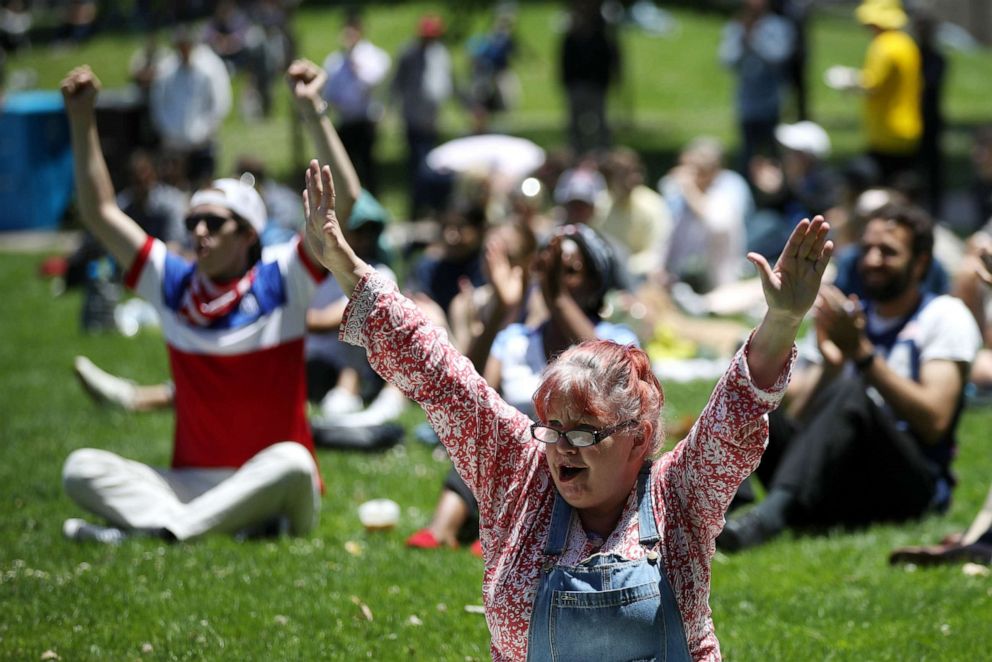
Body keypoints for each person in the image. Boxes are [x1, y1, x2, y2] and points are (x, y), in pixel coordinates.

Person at [303, 139, 833, 657]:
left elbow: (736, 405)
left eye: (583, 431)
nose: (561, 449)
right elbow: (441, 375)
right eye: (552, 428)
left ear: (639, 437)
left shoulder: (681, 493)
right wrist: (347, 266)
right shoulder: (516, 468)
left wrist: (782, 318)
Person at [56, 62, 365, 544]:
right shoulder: (174, 283)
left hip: (273, 482)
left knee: (294, 460)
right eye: (193, 222)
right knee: (80, 468)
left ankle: (158, 531)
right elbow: (100, 213)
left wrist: (312, 111)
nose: (198, 231)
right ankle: (186, 528)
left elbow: (342, 201)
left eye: (213, 224)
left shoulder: (281, 278)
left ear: (247, 235)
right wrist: (81, 118)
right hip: (193, 485)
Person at [719, 203, 982, 552]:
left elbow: (934, 421)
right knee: (751, 391)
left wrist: (861, 354)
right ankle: (716, 510)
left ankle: (769, 517)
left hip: (906, 481)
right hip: (835, 473)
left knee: (854, 391)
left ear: (920, 263)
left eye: (888, 252)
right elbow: (796, 416)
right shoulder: (846, 315)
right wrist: (829, 367)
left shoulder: (944, 316)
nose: (872, 260)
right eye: (867, 249)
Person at [825, 0, 922, 185]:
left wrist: (847, 80)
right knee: (904, 185)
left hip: (887, 131)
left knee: (882, 186)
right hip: (910, 128)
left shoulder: (883, 47)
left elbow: (871, 83)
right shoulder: (907, 43)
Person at [659, 137, 754, 295]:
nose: (686, 175)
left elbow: (718, 225)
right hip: (678, 275)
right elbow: (663, 231)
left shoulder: (727, 190)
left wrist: (690, 191)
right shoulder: (675, 191)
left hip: (717, 279)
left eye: (695, 169)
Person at [149, 25, 232, 190]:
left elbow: (220, 102)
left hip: (203, 144)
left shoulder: (210, 66)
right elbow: (158, 104)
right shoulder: (166, 69)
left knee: (203, 187)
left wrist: (206, 130)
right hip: (175, 145)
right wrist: (170, 132)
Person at [719, 0, 795, 173]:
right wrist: (742, 40)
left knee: (773, 151)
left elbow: (779, 56)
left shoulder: (779, 26)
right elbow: (726, 60)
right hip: (746, 101)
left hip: (771, 101)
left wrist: (754, 38)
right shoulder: (736, 25)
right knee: (747, 152)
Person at [390, 13, 453, 219]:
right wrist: (389, 110)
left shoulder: (441, 54)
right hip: (414, 120)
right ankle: (416, 209)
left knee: (433, 165)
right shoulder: (408, 54)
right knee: (417, 166)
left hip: (433, 120)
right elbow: (396, 84)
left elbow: (448, 83)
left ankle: (433, 207)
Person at [321, 9, 391, 195]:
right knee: (346, 167)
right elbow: (329, 90)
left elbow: (372, 82)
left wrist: (355, 64)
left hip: (365, 119)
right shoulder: (334, 61)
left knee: (368, 167)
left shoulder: (373, 56)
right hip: (345, 120)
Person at [559, 0, 621, 154]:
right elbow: (565, 60)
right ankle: (577, 152)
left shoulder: (603, 34)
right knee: (575, 123)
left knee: (600, 122)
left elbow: (611, 58)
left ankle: (602, 153)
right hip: (576, 83)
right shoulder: (572, 35)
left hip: (597, 84)